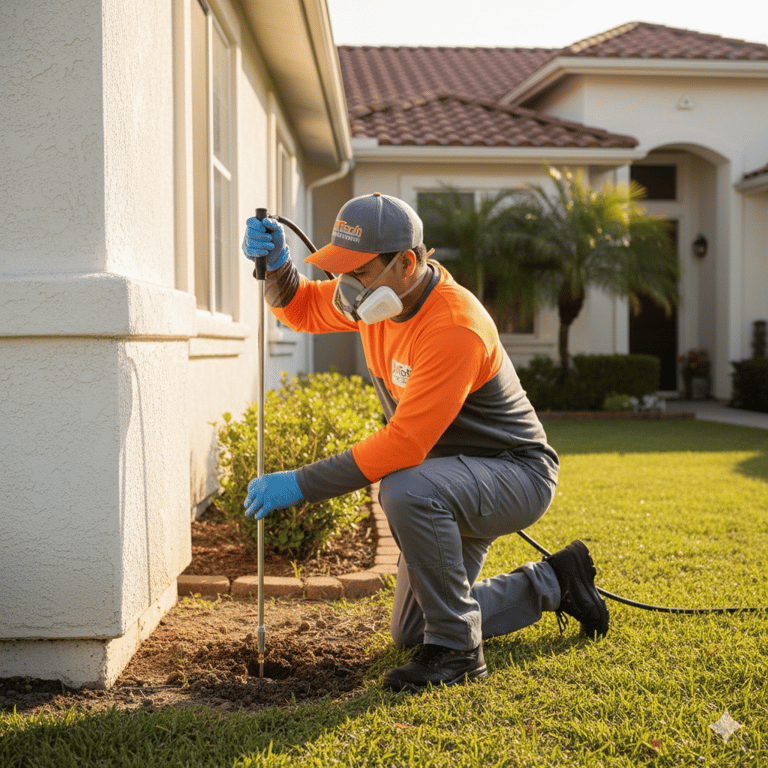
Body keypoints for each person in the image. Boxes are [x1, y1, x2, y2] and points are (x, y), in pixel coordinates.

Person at [241, 193, 609, 693]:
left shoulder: (452, 325)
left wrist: (300, 484)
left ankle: (459, 652)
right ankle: (555, 581)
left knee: (403, 488)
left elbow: (404, 446)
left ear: (406, 263)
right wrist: (280, 268)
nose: (346, 287)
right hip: (447, 479)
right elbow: (303, 309)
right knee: (413, 631)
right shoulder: (371, 299)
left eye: (359, 271)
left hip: (514, 474)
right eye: (340, 269)